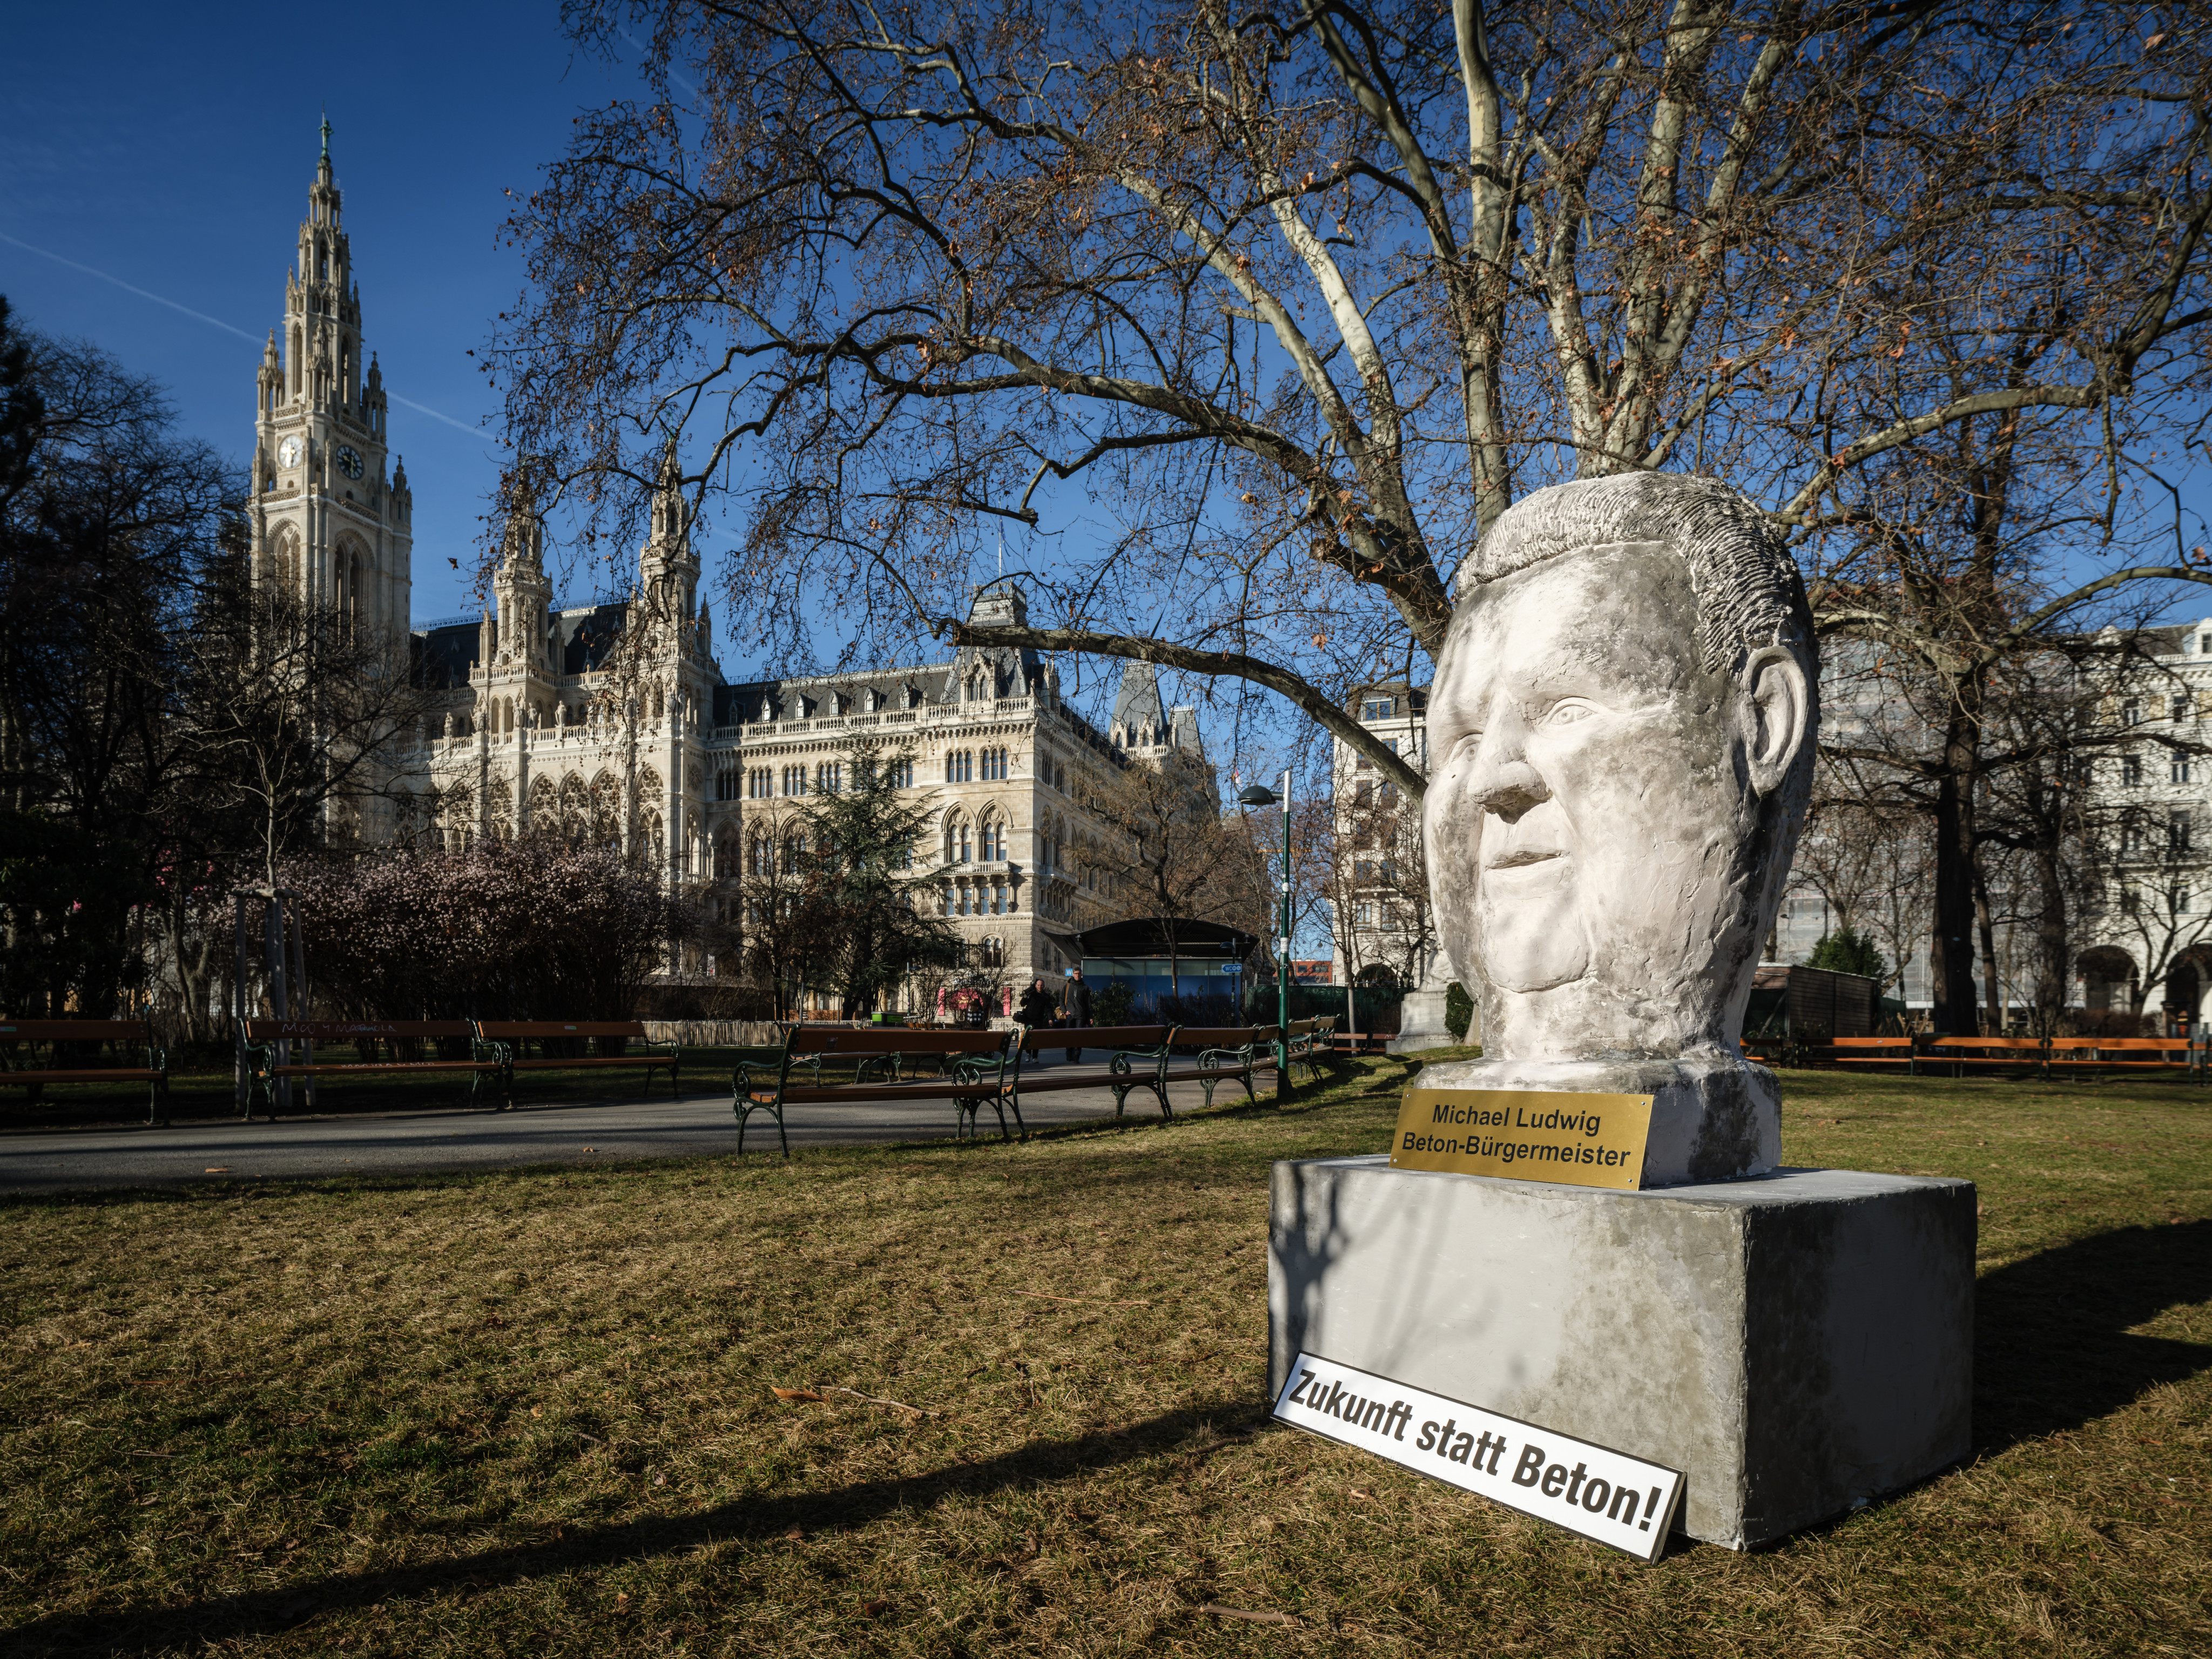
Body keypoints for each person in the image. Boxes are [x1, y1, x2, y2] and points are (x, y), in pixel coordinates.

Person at [1016, 978, 1057, 1057]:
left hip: (1039, 1020)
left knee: (1036, 1039)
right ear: (1036, 986)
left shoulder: (1046, 997)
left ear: (1044, 986)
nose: (1040, 987)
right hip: (1028, 1019)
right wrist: (1025, 997)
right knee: (1028, 1037)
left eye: (1041, 985)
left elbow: (1048, 1009)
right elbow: (1022, 1004)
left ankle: (1035, 1056)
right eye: (1038, 985)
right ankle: (1028, 1053)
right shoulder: (1031, 994)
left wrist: (1050, 1019)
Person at [1063, 967, 1092, 1063]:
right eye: (1075, 974)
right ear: (1073, 974)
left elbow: (1088, 1003)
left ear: (1081, 974)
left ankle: (1076, 1057)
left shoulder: (1085, 987)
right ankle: (1069, 1054)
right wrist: (1065, 1011)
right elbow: (1061, 998)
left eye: (1079, 974)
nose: (1077, 975)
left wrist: (1090, 1016)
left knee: (1079, 1037)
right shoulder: (1068, 986)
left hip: (1081, 1015)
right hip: (1070, 1015)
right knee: (1069, 1036)